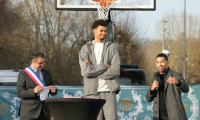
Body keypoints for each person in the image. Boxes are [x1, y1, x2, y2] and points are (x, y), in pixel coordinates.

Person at [79, 19, 121, 120]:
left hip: (109, 92)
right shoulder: (85, 49)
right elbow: (85, 71)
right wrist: (104, 66)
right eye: (101, 31)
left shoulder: (112, 47)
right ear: (94, 30)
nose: (104, 33)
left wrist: (93, 70)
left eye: (105, 31)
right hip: (92, 93)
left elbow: (116, 70)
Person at [145, 53, 189, 120]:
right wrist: (152, 88)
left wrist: (178, 82)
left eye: (162, 62)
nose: (160, 64)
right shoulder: (154, 78)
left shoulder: (176, 75)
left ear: (167, 62)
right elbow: (148, 99)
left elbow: (186, 89)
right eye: (157, 62)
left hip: (175, 116)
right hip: (158, 117)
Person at [17, 52, 57, 120]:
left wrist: (54, 90)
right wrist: (33, 91)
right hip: (29, 112)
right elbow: (19, 93)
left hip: (44, 111)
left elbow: (52, 89)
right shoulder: (23, 74)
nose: (42, 65)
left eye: (43, 63)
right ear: (33, 62)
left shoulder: (47, 73)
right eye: (40, 63)